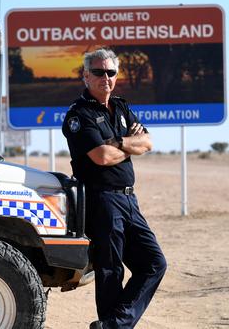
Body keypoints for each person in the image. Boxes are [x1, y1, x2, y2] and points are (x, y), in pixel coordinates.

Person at [62, 48, 167, 329]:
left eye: (110, 72)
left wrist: (117, 142)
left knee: (154, 264)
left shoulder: (121, 107)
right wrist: (127, 145)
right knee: (110, 271)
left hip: (129, 200)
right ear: (85, 76)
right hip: (101, 200)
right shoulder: (78, 114)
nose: (105, 78)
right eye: (98, 72)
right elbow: (101, 157)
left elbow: (148, 142)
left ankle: (113, 325)